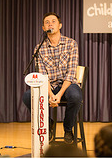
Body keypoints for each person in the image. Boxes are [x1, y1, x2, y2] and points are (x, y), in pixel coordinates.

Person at [23, 12, 82, 144]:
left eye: (53, 21)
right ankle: (48, 123)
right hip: (49, 86)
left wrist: (59, 95)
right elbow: (43, 76)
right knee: (28, 96)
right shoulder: (39, 48)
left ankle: (68, 129)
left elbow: (71, 74)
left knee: (76, 96)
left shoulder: (71, 44)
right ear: (43, 28)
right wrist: (50, 94)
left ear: (60, 25)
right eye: (47, 22)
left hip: (67, 85)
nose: (50, 24)